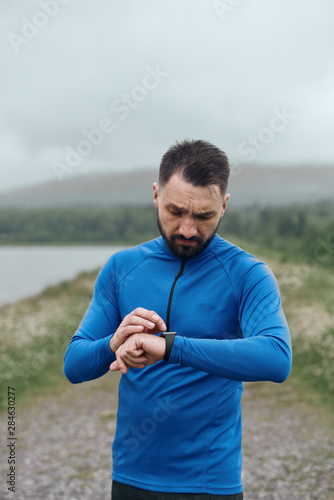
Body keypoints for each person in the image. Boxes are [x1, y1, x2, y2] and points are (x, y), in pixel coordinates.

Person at [64, 139, 292, 500]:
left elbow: (277, 358)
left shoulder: (248, 274)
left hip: (209, 483)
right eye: (175, 211)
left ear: (224, 206)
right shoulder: (122, 268)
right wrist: (113, 343)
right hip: (130, 477)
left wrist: (170, 347)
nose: (187, 229)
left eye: (204, 216)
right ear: (156, 194)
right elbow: (74, 365)